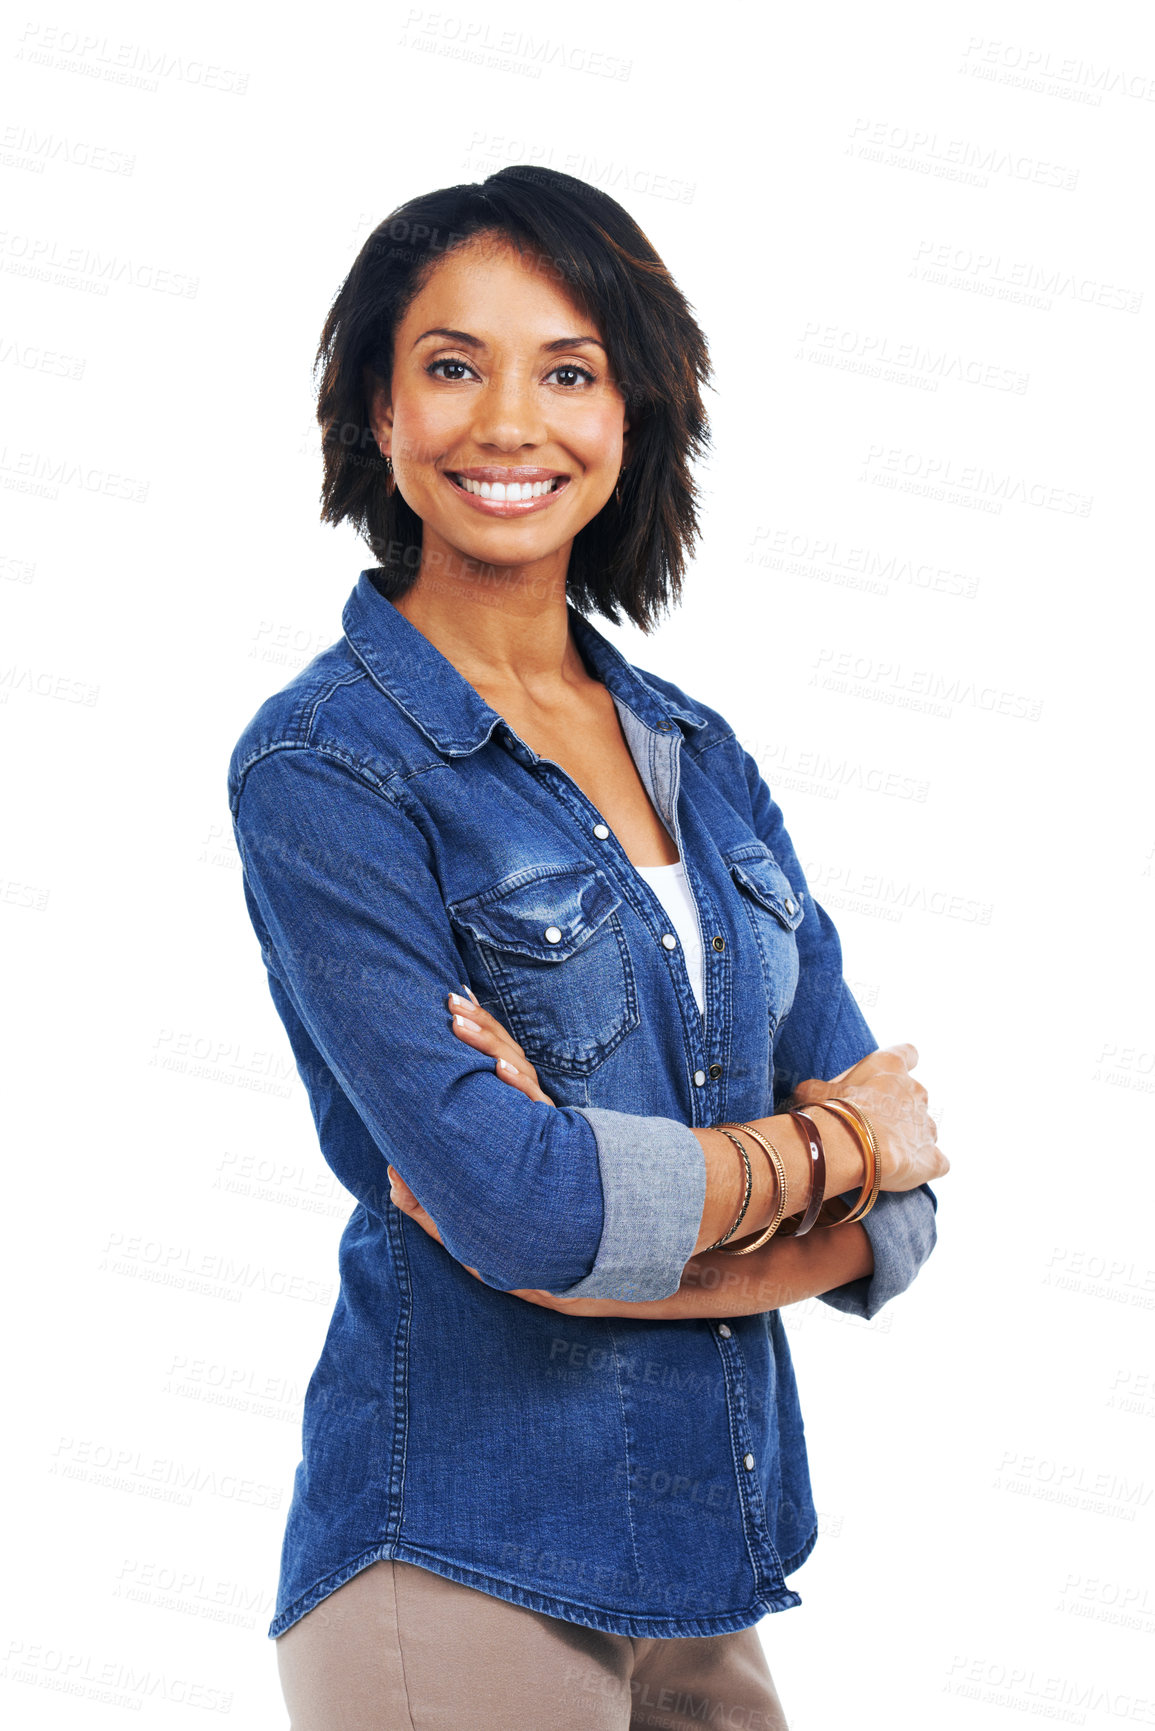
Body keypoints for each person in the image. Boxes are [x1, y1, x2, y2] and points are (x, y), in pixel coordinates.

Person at [227, 164, 948, 1730]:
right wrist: (827, 1150)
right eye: (450, 365)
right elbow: (534, 1212)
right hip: (459, 1558)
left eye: (567, 371)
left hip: (713, 1558)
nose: (509, 423)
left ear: (633, 418)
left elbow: (907, 1209)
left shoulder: (703, 756)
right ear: (377, 414)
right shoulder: (328, 768)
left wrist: (618, 1240)